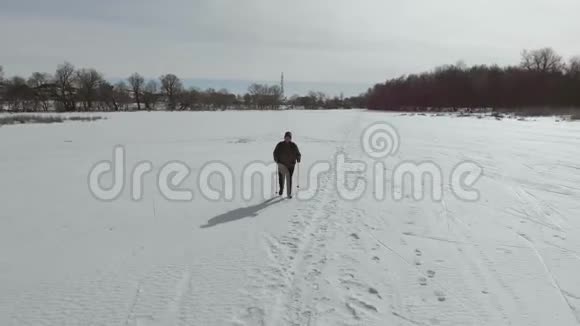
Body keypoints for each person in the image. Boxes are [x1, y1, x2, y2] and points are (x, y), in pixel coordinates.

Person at [273, 131, 301, 198]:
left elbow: (298, 153)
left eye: (289, 138)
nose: (287, 139)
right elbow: (275, 152)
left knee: (289, 179)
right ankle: (281, 190)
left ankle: (289, 193)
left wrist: (298, 158)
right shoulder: (280, 145)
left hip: (291, 165)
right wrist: (276, 158)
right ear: (284, 137)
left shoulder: (293, 145)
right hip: (281, 164)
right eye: (286, 137)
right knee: (281, 179)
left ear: (291, 138)